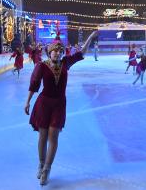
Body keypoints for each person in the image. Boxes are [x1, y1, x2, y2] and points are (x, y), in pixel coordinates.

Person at [24, 30, 98, 186]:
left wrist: (90, 36)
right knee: (43, 136)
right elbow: (34, 84)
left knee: (54, 137)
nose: (57, 53)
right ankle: (41, 163)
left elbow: (82, 52)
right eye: (54, 51)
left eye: (60, 51)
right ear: (49, 52)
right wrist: (28, 101)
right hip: (44, 103)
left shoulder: (66, 63)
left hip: (59, 104)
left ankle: (47, 169)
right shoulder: (41, 66)